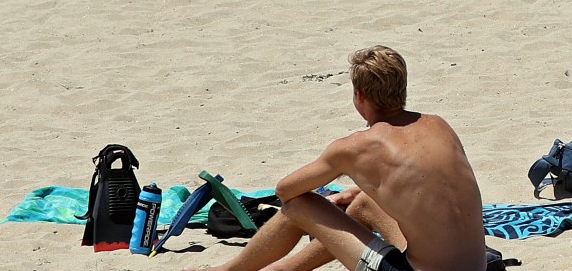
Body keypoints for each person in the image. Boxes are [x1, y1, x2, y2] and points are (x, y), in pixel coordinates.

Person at [193, 46, 487, 271]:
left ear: (359, 96)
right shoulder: (439, 125)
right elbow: (423, 183)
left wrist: (331, 191)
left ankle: (230, 270)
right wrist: (358, 190)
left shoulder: (356, 148)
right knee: (362, 203)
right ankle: (284, 268)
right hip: (476, 265)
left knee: (302, 203)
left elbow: (285, 191)